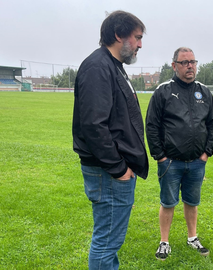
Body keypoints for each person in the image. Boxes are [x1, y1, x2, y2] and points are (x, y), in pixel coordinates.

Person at [72, 10, 148, 270]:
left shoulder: (114, 66)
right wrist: (119, 170)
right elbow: (94, 126)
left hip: (113, 172)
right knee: (106, 243)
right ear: (118, 34)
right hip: (108, 173)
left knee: (110, 241)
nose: (140, 44)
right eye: (137, 37)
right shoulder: (98, 66)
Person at [146, 47, 213, 261]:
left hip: (197, 162)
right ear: (174, 65)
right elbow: (151, 125)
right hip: (170, 163)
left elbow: (211, 124)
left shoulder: (204, 92)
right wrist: (160, 156)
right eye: (185, 62)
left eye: (193, 62)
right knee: (168, 202)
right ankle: (164, 242)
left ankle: (192, 237)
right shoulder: (163, 91)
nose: (190, 66)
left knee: (192, 202)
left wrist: (206, 153)